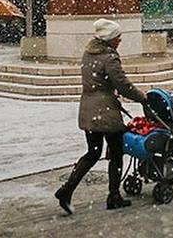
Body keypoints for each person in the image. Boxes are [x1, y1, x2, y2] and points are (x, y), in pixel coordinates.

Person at [55, 19, 146, 215]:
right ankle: (114, 196)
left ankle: (66, 189)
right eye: (117, 37)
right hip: (105, 112)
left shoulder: (89, 53)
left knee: (92, 152)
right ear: (110, 39)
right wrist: (142, 98)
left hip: (88, 109)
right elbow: (122, 83)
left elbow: (96, 81)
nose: (120, 40)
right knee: (116, 153)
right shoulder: (109, 57)